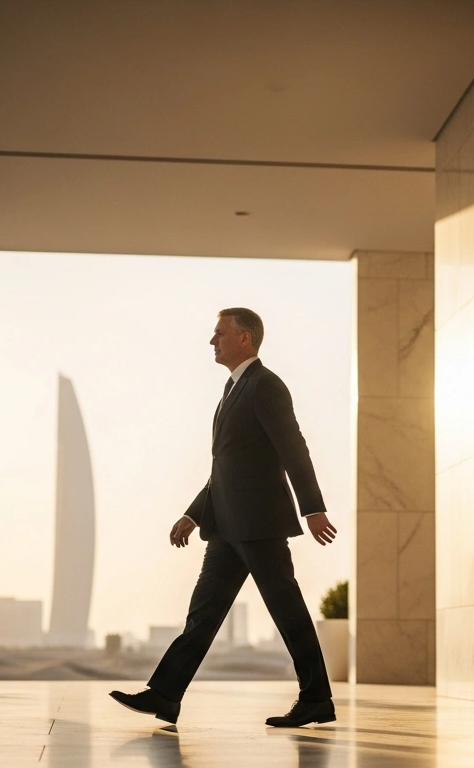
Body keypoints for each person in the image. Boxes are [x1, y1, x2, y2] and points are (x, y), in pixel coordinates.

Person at [110, 307, 338, 728]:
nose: (212, 341)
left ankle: (316, 698)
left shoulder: (265, 386)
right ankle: (165, 694)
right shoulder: (232, 390)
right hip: (226, 527)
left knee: (287, 612)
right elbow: (226, 465)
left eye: (219, 334)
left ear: (245, 338)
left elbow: (294, 448)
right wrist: (194, 514)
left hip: (259, 525)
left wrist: (313, 507)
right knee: (203, 615)